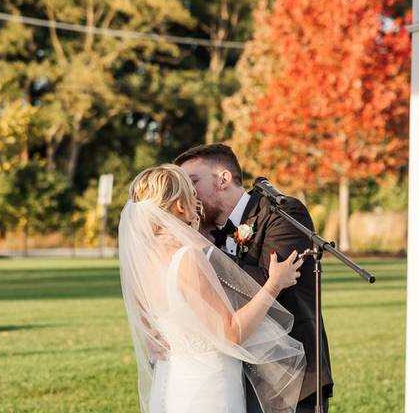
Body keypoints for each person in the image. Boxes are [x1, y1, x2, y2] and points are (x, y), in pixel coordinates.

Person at [119, 164, 306, 413]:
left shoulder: (141, 263)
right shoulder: (186, 257)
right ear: (179, 205)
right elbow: (230, 333)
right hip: (208, 390)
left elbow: (153, 333)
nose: (196, 198)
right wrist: (274, 284)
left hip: (170, 384)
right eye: (190, 192)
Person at [175, 144, 333, 413]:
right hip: (234, 376)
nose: (189, 195)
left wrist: (204, 253)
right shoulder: (207, 235)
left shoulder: (284, 213)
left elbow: (261, 283)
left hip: (290, 375)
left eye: (193, 183)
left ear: (223, 179)